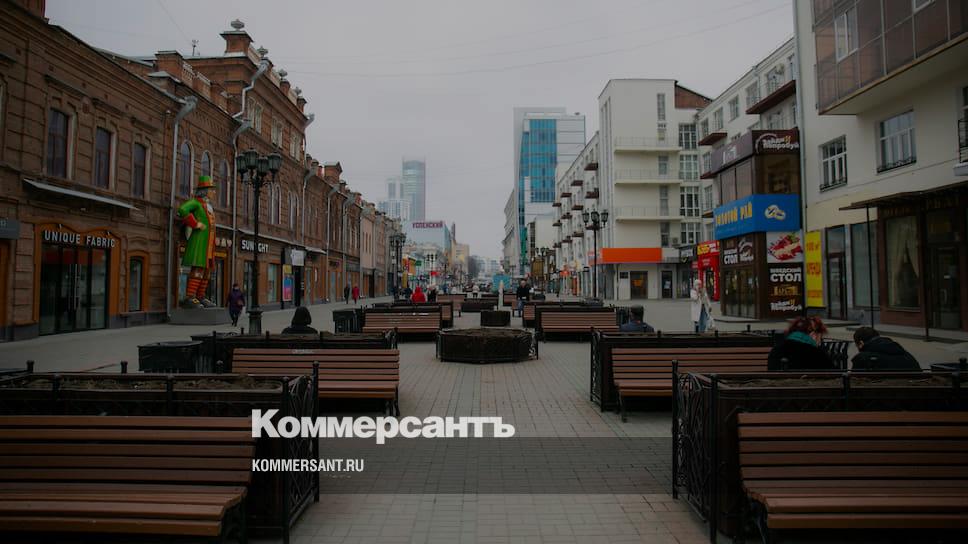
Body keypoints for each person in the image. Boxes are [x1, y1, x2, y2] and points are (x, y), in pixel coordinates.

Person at [768, 316, 836, 371]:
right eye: (820, 336)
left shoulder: (776, 350)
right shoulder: (818, 354)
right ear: (813, 334)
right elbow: (836, 375)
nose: (820, 341)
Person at [851, 327, 921, 371]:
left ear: (861, 343)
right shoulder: (905, 354)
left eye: (857, 345)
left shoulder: (862, 358)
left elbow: (853, 382)